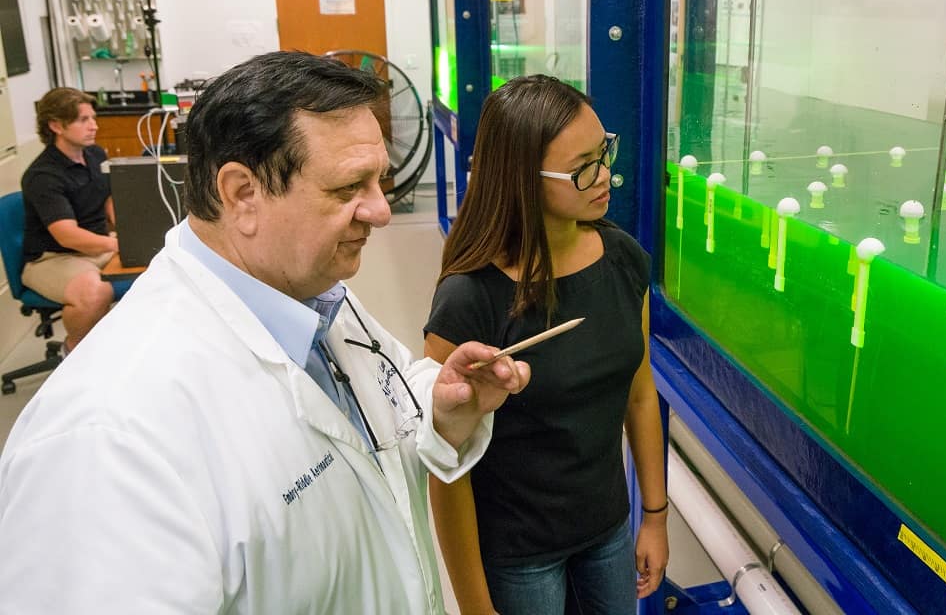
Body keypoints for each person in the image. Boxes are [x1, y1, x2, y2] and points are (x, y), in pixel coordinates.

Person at [0, 51, 530, 614]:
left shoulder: (313, 291)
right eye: (349, 186)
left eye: (379, 179)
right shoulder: (107, 440)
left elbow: (383, 401)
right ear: (242, 194)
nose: (379, 211)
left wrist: (443, 406)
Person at [424, 75, 668, 615]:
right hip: (519, 553)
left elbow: (640, 393)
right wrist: (475, 607)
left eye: (604, 152)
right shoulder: (470, 298)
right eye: (583, 167)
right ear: (522, 179)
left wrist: (654, 515)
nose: (605, 176)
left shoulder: (624, 260)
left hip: (607, 529)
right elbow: (446, 465)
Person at [20, 87, 119, 351]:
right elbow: (67, 235)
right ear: (55, 125)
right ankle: (72, 350)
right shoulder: (43, 175)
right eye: (83, 120)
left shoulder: (95, 154)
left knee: (159, 261)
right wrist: (115, 245)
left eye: (93, 118)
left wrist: (129, 233)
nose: (93, 126)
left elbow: (108, 199)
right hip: (54, 257)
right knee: (95, 293)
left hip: (97, 244)